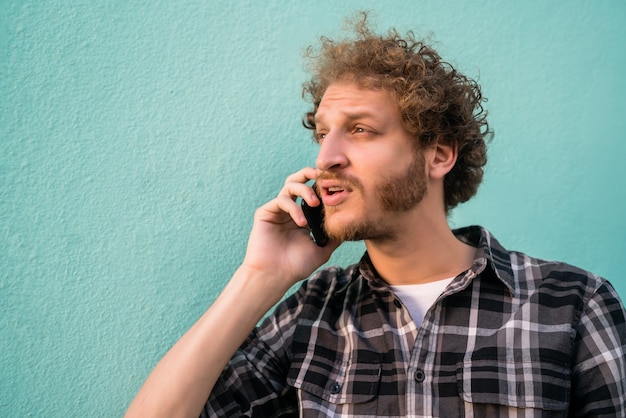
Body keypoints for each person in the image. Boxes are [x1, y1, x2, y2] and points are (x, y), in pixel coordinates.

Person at [125, 13, 626, 418]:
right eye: (323, 133)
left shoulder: (573, 304)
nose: (327, 156)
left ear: (439, 155)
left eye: (361, 129)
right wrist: (262, 275)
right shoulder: (312, 312)